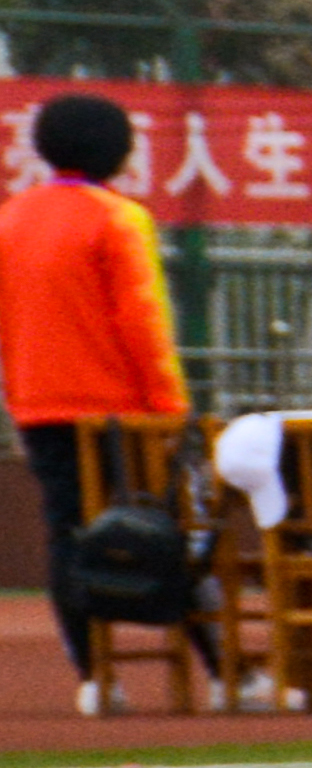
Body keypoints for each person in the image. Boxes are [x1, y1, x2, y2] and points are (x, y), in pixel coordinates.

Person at [2, 94, 223, 716]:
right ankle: (225, 673)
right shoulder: (120, 218)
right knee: (169, 533)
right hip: (123, 415)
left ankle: (96, 679)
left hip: (40, 408)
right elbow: (143, 324)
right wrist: (172, 408)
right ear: (120, 152)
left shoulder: (9, 219)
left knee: (68, 538)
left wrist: (20, 393)